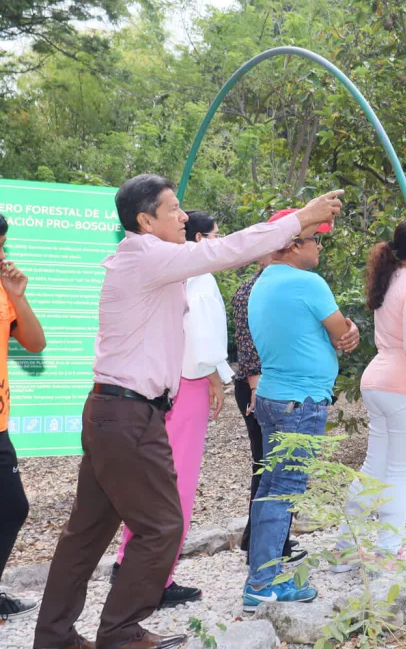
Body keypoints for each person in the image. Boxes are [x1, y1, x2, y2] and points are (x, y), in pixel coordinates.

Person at [35, 176, 342, 649]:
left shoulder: (143, 260)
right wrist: (299, 220)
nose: (184, 217)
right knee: (162, 527)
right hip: (128, 416)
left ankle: (54, 636)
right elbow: (227, 251)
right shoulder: (149, 257)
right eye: (174, 209)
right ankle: (120, 632)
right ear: (145, 220)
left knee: (86, 533)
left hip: (113, 411)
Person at [110, 212, 234, 609]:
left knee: (154, 480)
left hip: (163, 382)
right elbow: (201, 333)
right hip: (187, 380)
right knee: (176, 483)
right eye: (215, 235)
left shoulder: (156, 263)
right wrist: (214, 373)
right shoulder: (193, 268)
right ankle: (155, 578)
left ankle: (130, 563)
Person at [244, 208, 361, 610]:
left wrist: (344, 335)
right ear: (294, 244)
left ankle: (259, 576)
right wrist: (351, 333)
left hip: (273, 398)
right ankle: (263, 584)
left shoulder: (262, 283)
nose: (319, 247)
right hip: (301, 403)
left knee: (268, 489)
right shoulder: (309, 283)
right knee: (285, 492)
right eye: (315, 239)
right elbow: (342, 334)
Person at [332, 217, 406, 567]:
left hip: (381, 382)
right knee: (402, 470)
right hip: (403, 387)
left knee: (375, 468)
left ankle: (345, 547)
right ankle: (389, 550)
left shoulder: (398, 280)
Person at [231, 254, 304, 564]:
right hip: (261, 387)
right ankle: (270, 549)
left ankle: (259, 539)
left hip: (273, 386)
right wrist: (255, 390)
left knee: (270, 466)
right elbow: (248, 348)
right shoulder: (253, 290)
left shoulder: (278, 287)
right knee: (271, 467)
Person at [0, 213, 47, 621]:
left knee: (12, 507)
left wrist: (18, 296)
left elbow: (35, 344)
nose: (0, 254)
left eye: (2, 245)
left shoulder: (4, 290)